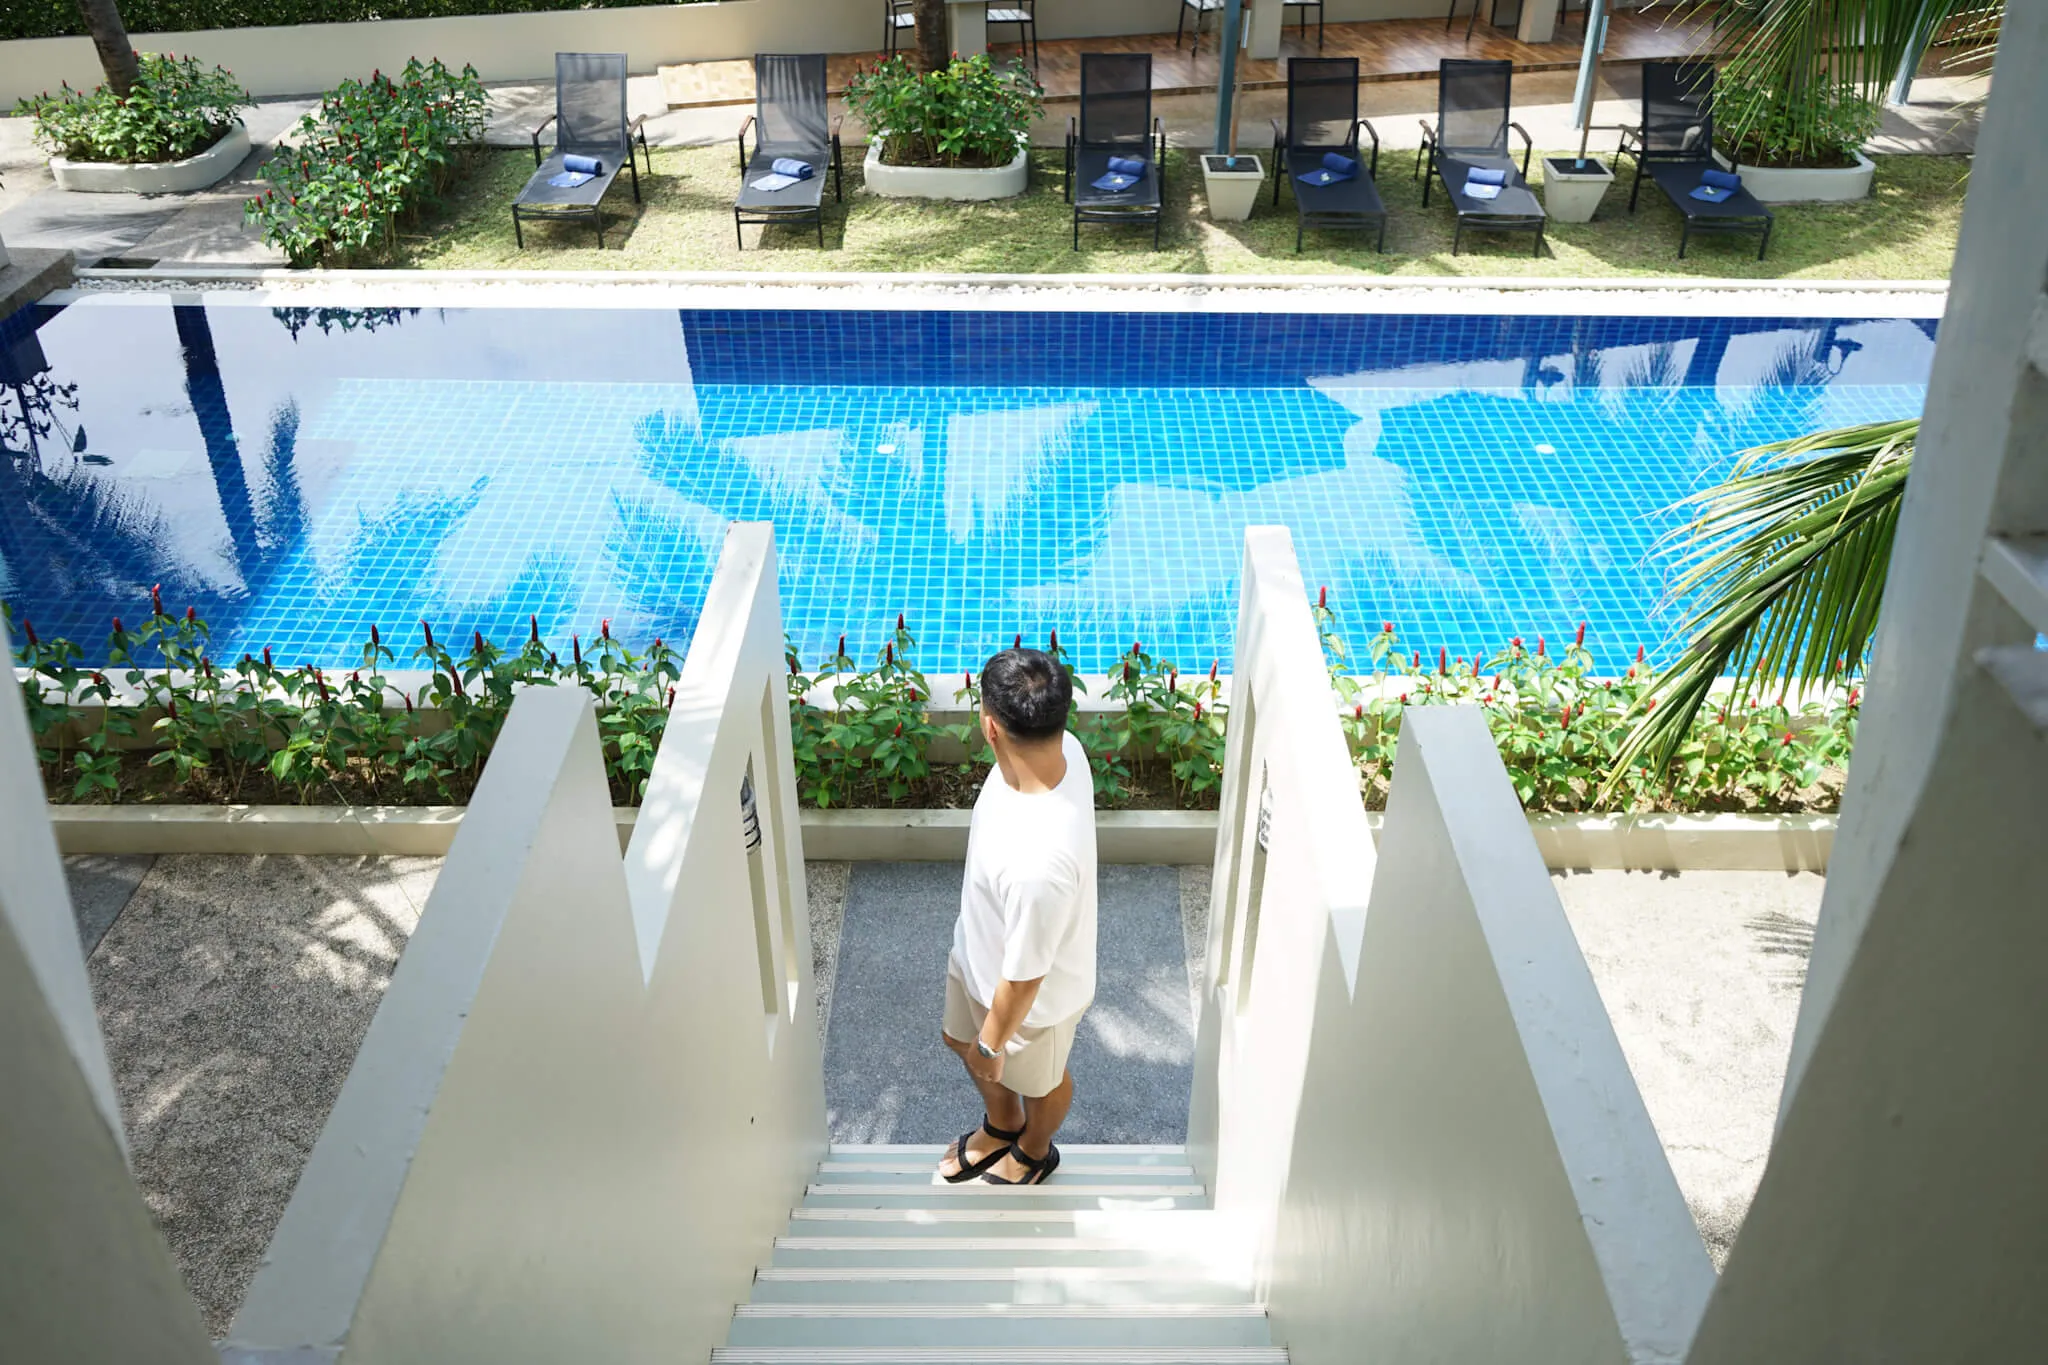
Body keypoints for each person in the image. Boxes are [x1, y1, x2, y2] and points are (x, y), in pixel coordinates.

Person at [936, 646, 1097, 1186]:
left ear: (990, 727)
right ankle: (1003, 1123)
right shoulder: (1065, 750)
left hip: (1031, 1007)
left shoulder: (1039, 865)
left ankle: (1033, 1147)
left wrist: (992, 1044)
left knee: (1043, 1083)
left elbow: (1026, 976)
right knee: (957, 1040)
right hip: (978, 953)